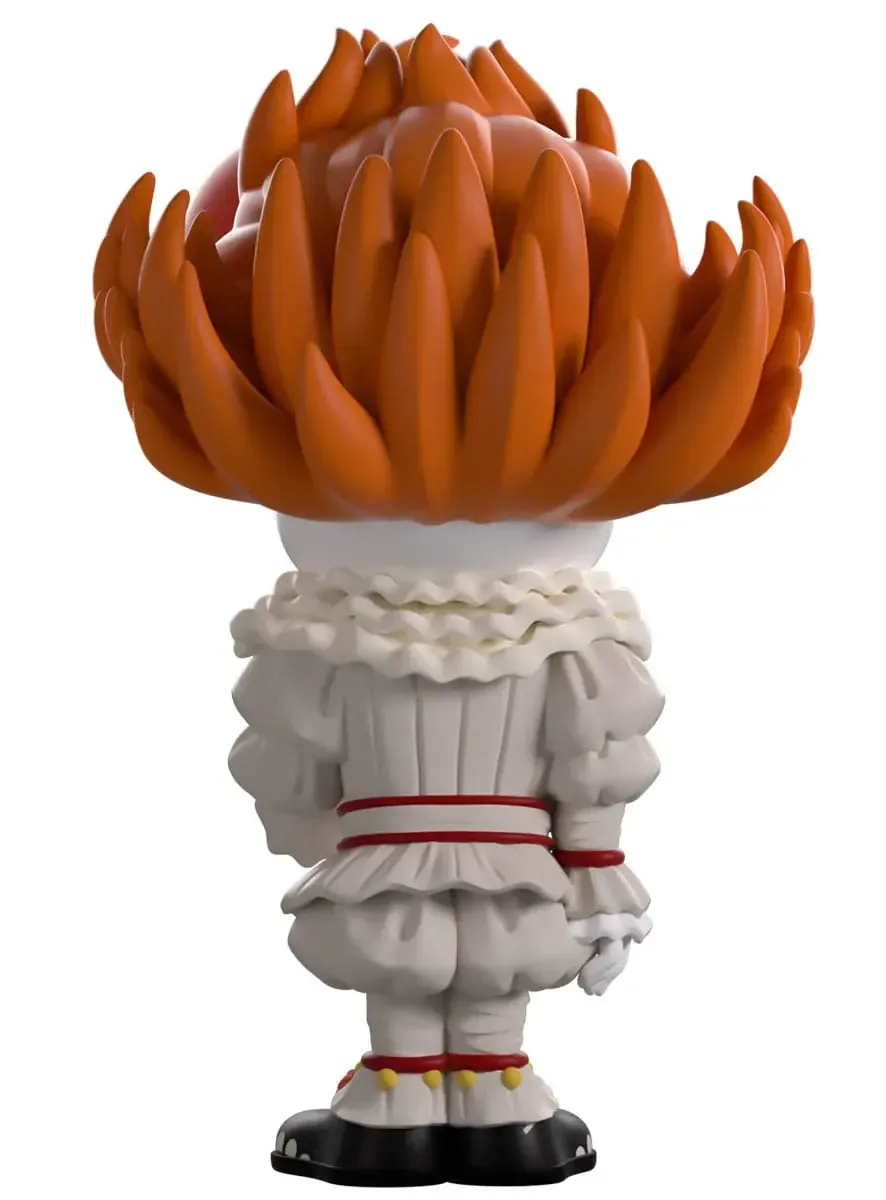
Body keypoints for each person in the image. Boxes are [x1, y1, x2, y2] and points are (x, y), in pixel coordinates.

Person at [92, 23, 813, 1187]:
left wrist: (588, 869)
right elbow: (578, 759)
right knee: (442, 974)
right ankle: (450, 1094)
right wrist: (586, 866)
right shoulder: (484, 644)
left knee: (452, 973)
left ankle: (457, 1092)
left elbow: (305, 757)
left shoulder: (366, 642)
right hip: (447, 867)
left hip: (427, 863)